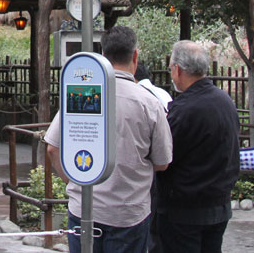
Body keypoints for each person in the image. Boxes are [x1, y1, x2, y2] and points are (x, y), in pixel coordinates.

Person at [45, 25, 172, 253]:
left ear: (102, 55)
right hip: (128, 214)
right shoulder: (149, 103)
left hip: (84, 209)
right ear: (135, 56)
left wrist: (75, 181)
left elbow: (53, 148)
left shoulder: (83, 92)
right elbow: (162, 162)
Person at [156, 41, 239, 253]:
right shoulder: (225, 101)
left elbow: (164, 156)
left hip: (184, 208)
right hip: (218, 203)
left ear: (177, 69)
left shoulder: (185, 109)